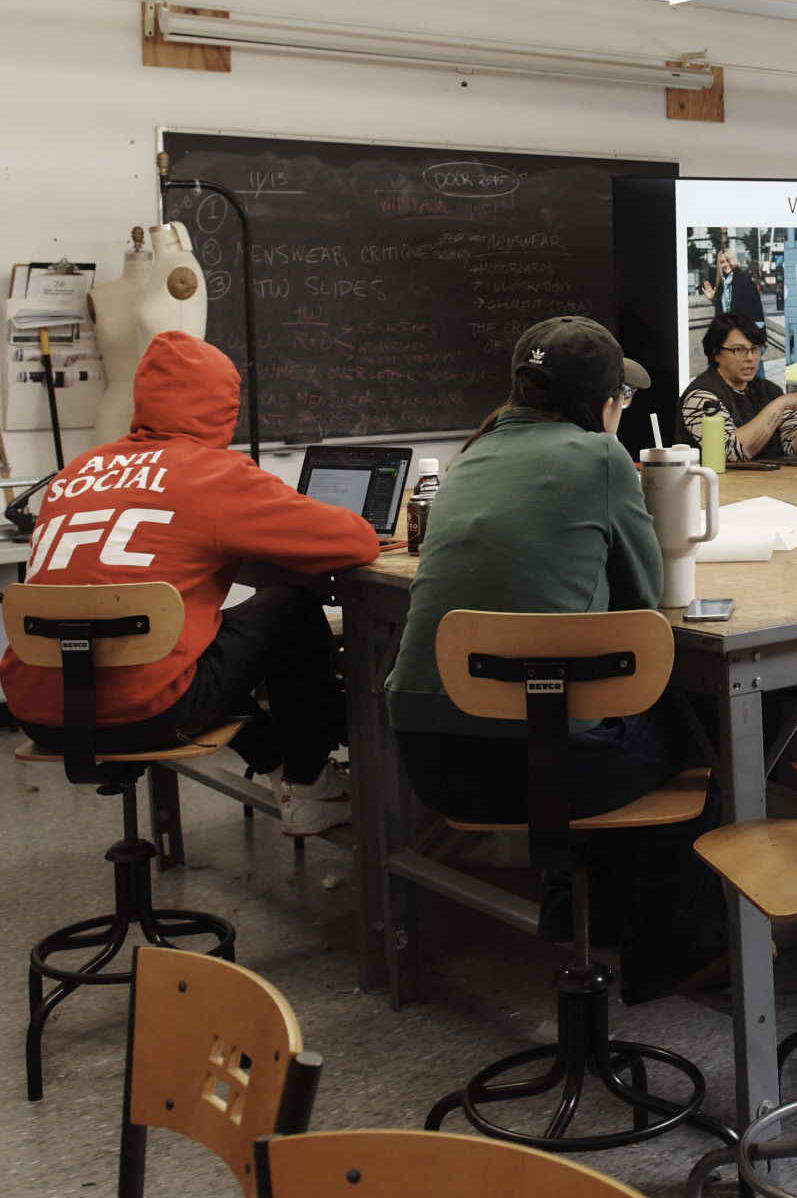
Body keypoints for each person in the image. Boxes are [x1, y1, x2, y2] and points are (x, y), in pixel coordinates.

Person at [384, 316, 726, 1003]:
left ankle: (581, 911)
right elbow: (644, 602)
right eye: (619, 401)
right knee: (705, 731)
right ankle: (672, 953)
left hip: (429, 762)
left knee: (584, 705)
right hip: (545, 771)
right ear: (602, 404)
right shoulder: (599, 458)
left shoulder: (469, 455)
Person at [0, 331, 378, 836]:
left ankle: (279, 768)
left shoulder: (77, 470)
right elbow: (357, 542)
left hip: (40, 711)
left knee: (194, 644)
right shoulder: (213, 473)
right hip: (143, 711)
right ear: (223, 406)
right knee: (288, 607)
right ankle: (311, 788)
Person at [679, 312, 797, 462]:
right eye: (738, 350)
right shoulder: (700, 396)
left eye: (755, 349)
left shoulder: (770, 390)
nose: (750, 358)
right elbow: (731, 452)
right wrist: (779, 405)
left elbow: (796, 448)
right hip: (718, 489)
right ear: (716, 354)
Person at [712, 246, 764, 324]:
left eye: (728, 260)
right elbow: (723, 308)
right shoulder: (722, 285)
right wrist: (714, 299)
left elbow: (756, 311)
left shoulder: (744, 281)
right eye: (722, 262)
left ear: (733, 260)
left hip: (742, 331)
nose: (725, 264)